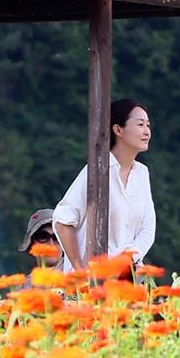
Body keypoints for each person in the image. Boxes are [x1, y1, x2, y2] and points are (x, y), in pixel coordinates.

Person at [53, 99, 155, 273]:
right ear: (118, 130)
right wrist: (79, 269)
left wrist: (128, 259)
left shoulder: (142, 174)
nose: (147, 132)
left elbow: (147, 229)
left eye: (148, 125)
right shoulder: (97, 171)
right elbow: (62, 220)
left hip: (125, 282)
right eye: (140, 124)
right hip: (89, 286)